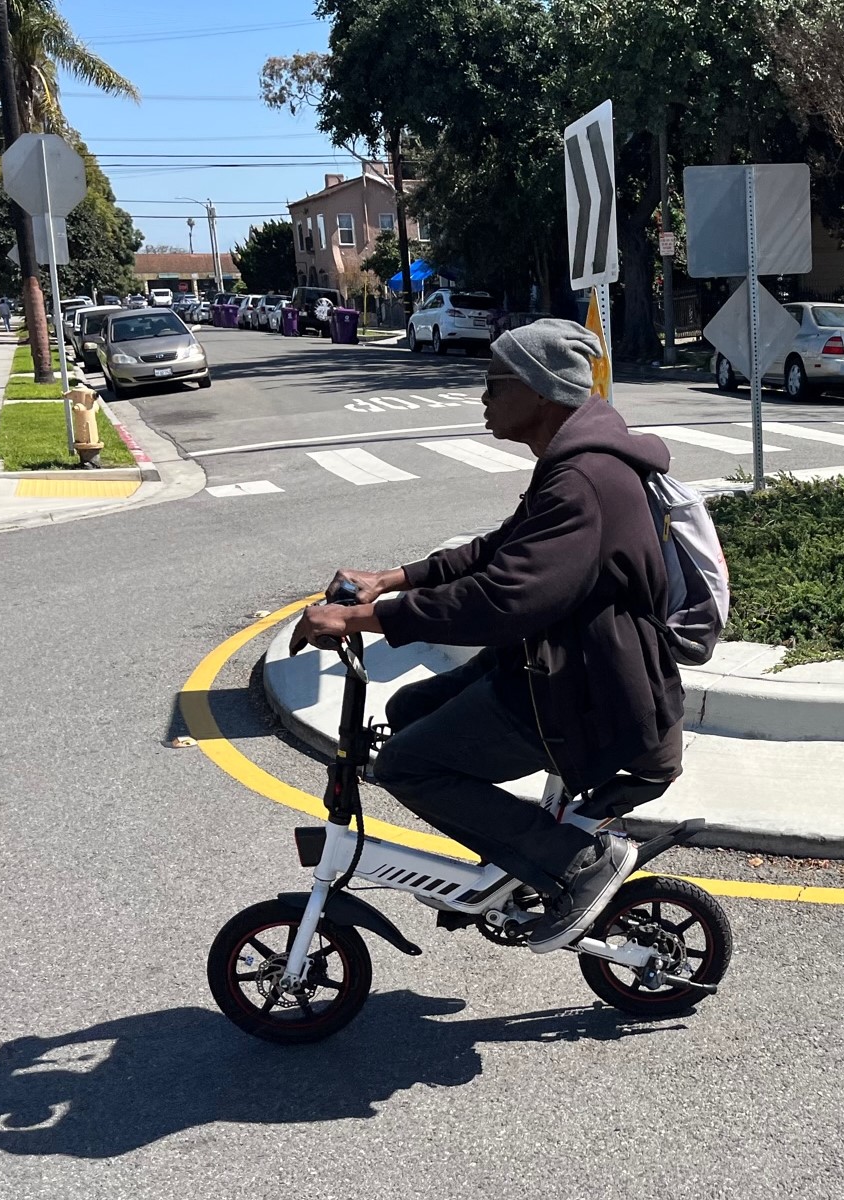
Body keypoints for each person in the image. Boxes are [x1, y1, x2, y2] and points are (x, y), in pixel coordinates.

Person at [293, 318, 684, 952]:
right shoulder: (571, 466)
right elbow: (496, 551)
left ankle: (574, 862)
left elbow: (504, 598)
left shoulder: (582, 480)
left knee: (406, 764)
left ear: (538, 392)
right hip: (563, 669)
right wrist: (389, 580)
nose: (483, 398)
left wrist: (364, 618)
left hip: (590, 695)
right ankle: (503, 867)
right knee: (408, 708)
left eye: (494, 383)